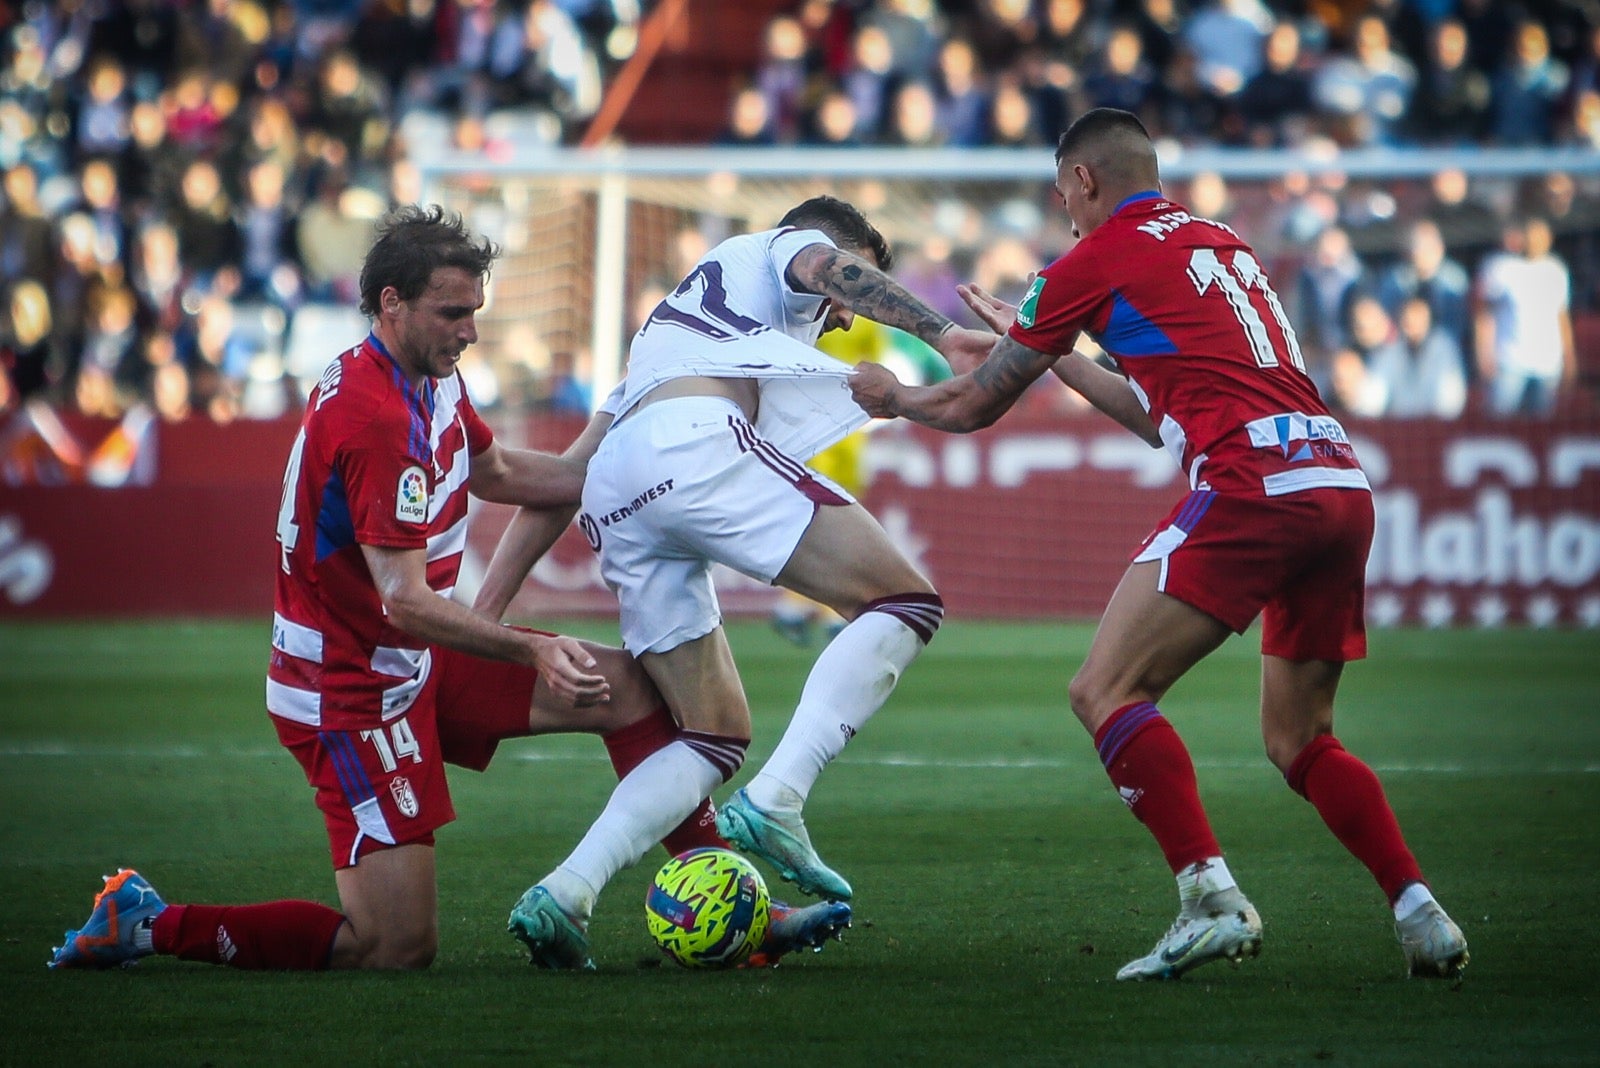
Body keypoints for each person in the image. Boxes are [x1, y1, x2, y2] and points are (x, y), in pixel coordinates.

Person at [48, 206, 845, 973]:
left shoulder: (422, 376)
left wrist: (618, 433)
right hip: (348, 692)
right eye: (452, 313)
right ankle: (149, 923)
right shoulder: (375, 418)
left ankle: (733, 903)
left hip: (410, 659)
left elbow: (497, 470)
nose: (469, 331)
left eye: (475, 312)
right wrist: (532, 647)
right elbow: (403, 599)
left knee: (628, 691)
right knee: (393, 949)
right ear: (391, 304)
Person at [850, 109, 1469, 982]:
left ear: (1085, 180)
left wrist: (893, 396)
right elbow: (1157, 414)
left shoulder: (1090, 259)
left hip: (1250, 484)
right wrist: (1054, 351)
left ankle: (1209, 897)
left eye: (1062, 188)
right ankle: (1421, 913)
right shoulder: (1223, 245)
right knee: (1301, 739)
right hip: (1334, 479)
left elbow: (971, 405)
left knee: (1104, 688)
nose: (1063, 209)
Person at [481, 195, 993, 969]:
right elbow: (825, 264)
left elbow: (567, 481)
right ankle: (780, 798)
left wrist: (486, 616)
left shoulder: (672, 335)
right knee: (905, 600)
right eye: (849, 293)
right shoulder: (783, 251)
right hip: (698, 446)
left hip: (622, 487)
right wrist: (944, 332)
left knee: (714, 733)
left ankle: (566, 892)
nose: (847, 316)